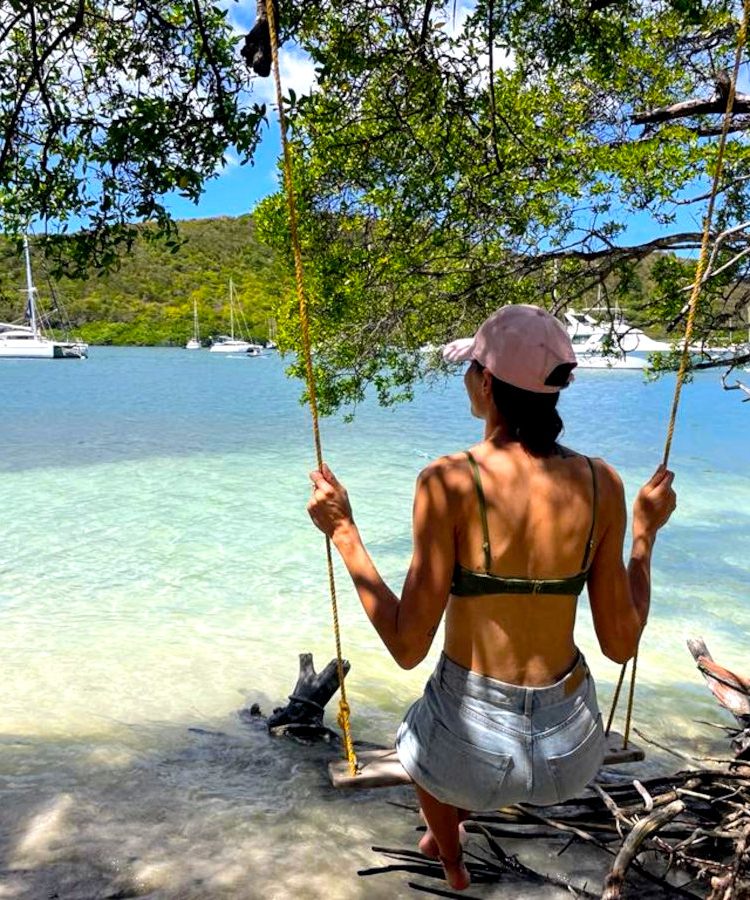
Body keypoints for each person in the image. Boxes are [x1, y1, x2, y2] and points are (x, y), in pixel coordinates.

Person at [307, 304, 676, 891]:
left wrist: (344, 532)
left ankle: (452, 864)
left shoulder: (448, 480)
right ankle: (452, 831)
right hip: (570, 754)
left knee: (421, 736)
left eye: (470, 367)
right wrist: (645, 537)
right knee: (469, 744)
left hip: (469, 751)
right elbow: (621, 645)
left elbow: (406, 646)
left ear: (484, 382)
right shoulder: (604, 483)